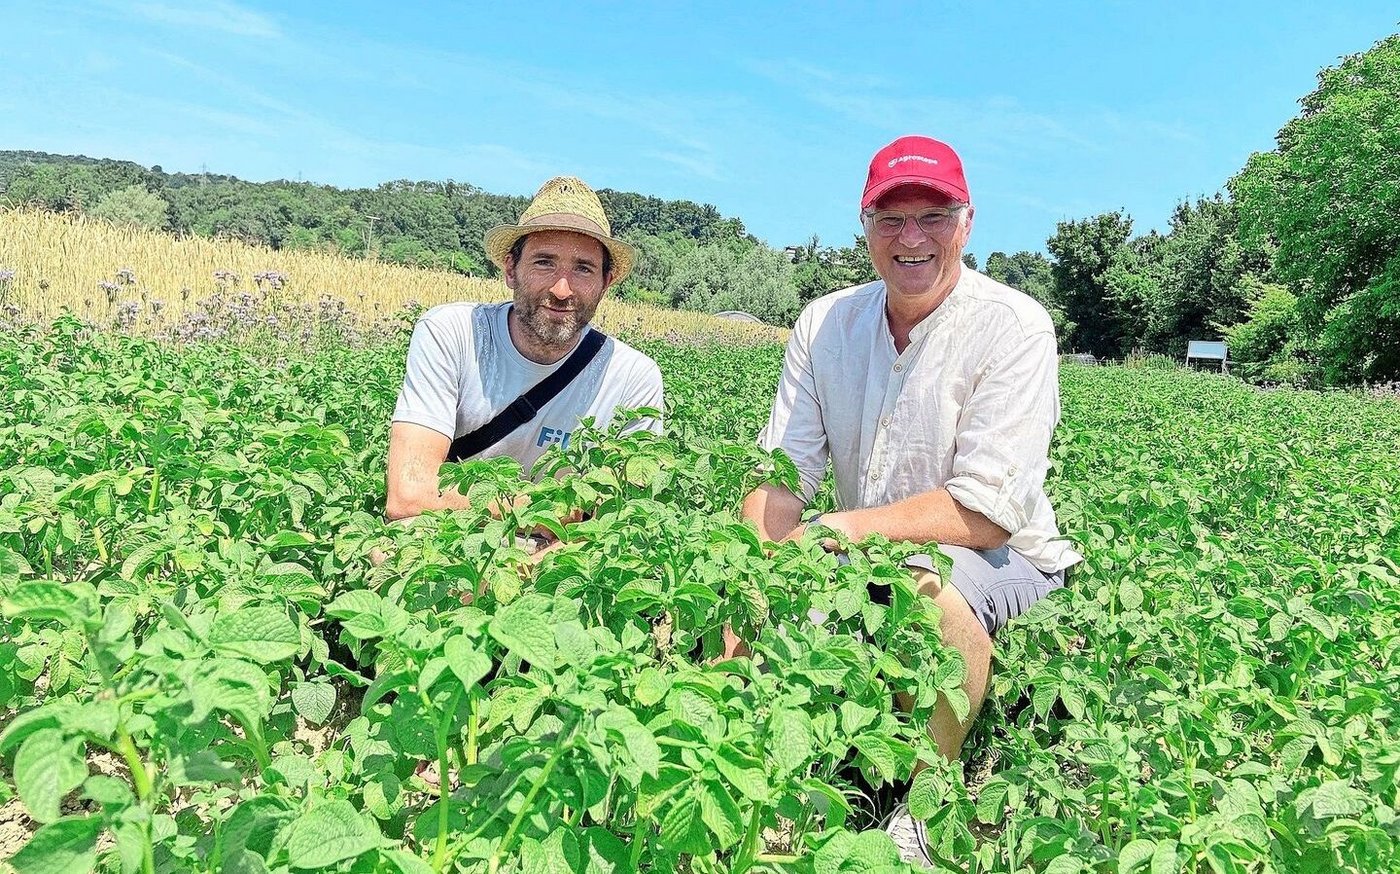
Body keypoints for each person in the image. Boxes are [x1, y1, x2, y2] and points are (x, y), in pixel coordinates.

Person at [738, 135, 1082, 864]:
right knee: (748, 579)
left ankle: (924, 809)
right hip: (869, 542)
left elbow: (986, 511)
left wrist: (838, 528)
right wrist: (749, 567)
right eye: (890, 219)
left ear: (968, 223)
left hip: (999, 554)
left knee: (929, 588)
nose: (912, 237)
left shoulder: (1014, 326)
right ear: (864, 227)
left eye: (934, 215)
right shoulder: (824, 322)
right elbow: (784, 472)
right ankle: (752, 753)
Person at [386, 175, 664, 526]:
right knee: (395, 545)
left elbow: (622, 522)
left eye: (583, 268)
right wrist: (546, 511)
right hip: (451, 533)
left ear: (605, 283)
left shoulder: (633, 378)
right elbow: (409, 495)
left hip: (559, 555)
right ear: (510, 269)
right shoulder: (454, 333)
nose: (562, 289)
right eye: (544, 262)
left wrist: (538, 566)